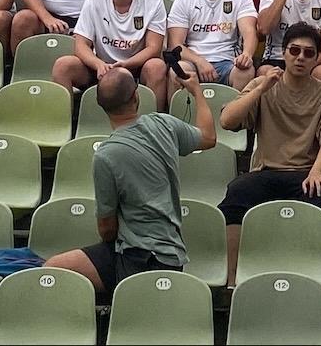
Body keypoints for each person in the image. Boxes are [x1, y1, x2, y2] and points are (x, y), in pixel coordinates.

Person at [40, 62, 217, 297]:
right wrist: (196, 91)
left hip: (143, 258)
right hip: (153, 251)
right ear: (136, 96)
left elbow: (106, 227)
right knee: (56, 268)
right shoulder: (164, 123)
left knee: (52, 272)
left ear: (100, 105)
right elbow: (208, 137)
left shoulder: (105, 155)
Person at [217, 21, 321, 279]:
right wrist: (261, 87)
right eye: (294, 51)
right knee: (236, 193)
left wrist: (317, 171)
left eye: (308, 53)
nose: (300, 58)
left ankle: (315, 276)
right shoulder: (264, 84)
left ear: (316, 58)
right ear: (284, 52)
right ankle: (232, 278)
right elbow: (227, 121)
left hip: (306, 173)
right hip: (267, 169)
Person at [59, 0, 172, 107]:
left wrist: (126, 65)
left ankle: (155, 120)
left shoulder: (153, 1)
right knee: (63, 65)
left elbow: (154, 48)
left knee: (157, 66)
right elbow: (80, 44)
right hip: (101, 66)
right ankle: (65, 119)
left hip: (137, 66)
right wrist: (99, 64)